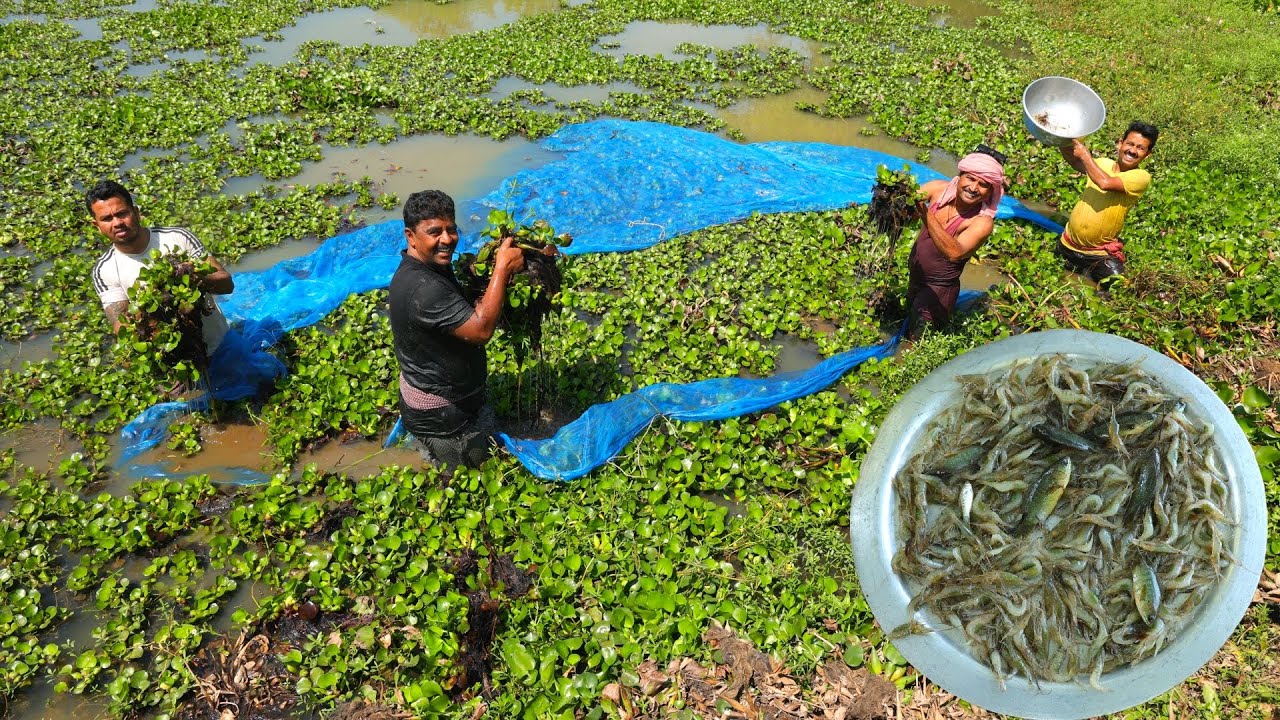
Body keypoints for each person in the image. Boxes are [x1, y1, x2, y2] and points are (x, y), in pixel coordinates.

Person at [389, 189, 525, 467]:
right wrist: (501, 268)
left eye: (451, 229)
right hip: (442, 418)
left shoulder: (430, 269)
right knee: (478, 471)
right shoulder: (424, 289)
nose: (447, 239)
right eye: (434, 232)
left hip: (444, 399)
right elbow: (481, 331)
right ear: (410, 236)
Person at [87, 179, 234, 353]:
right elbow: (122, 327)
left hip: (221, 343)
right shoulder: (104, 271)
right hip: (174, 357)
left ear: (136, 211)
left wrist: (193, 276)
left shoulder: (177, 237)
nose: (117, 223)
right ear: (97, 225)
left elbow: (227, 285)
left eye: (122, 213)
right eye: (106, 218)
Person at [905, 152, 1006, 335]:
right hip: (916, 275)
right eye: (970, 178)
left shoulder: (981, 222)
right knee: (906, 317)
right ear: (960, 177)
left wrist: (924, 212)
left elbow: (955, 252)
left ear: (990, 192)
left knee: (915, 342)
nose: (973, 188)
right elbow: (907, 203)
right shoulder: (937, 189)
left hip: (938, 291)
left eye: (983, 185)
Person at [1054, 121, 1158, 283]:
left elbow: (1106, 183)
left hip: (1097, 255)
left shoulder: (1141, 177)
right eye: (1130, 144)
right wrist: (1061, 140)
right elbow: (1075, 162)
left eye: (1140, 148)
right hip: (1067, 244)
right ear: (1120, 144)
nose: (1132, 151)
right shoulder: (1103, 163)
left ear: (1148, 155)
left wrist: (1085, 155)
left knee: (1117, 287)